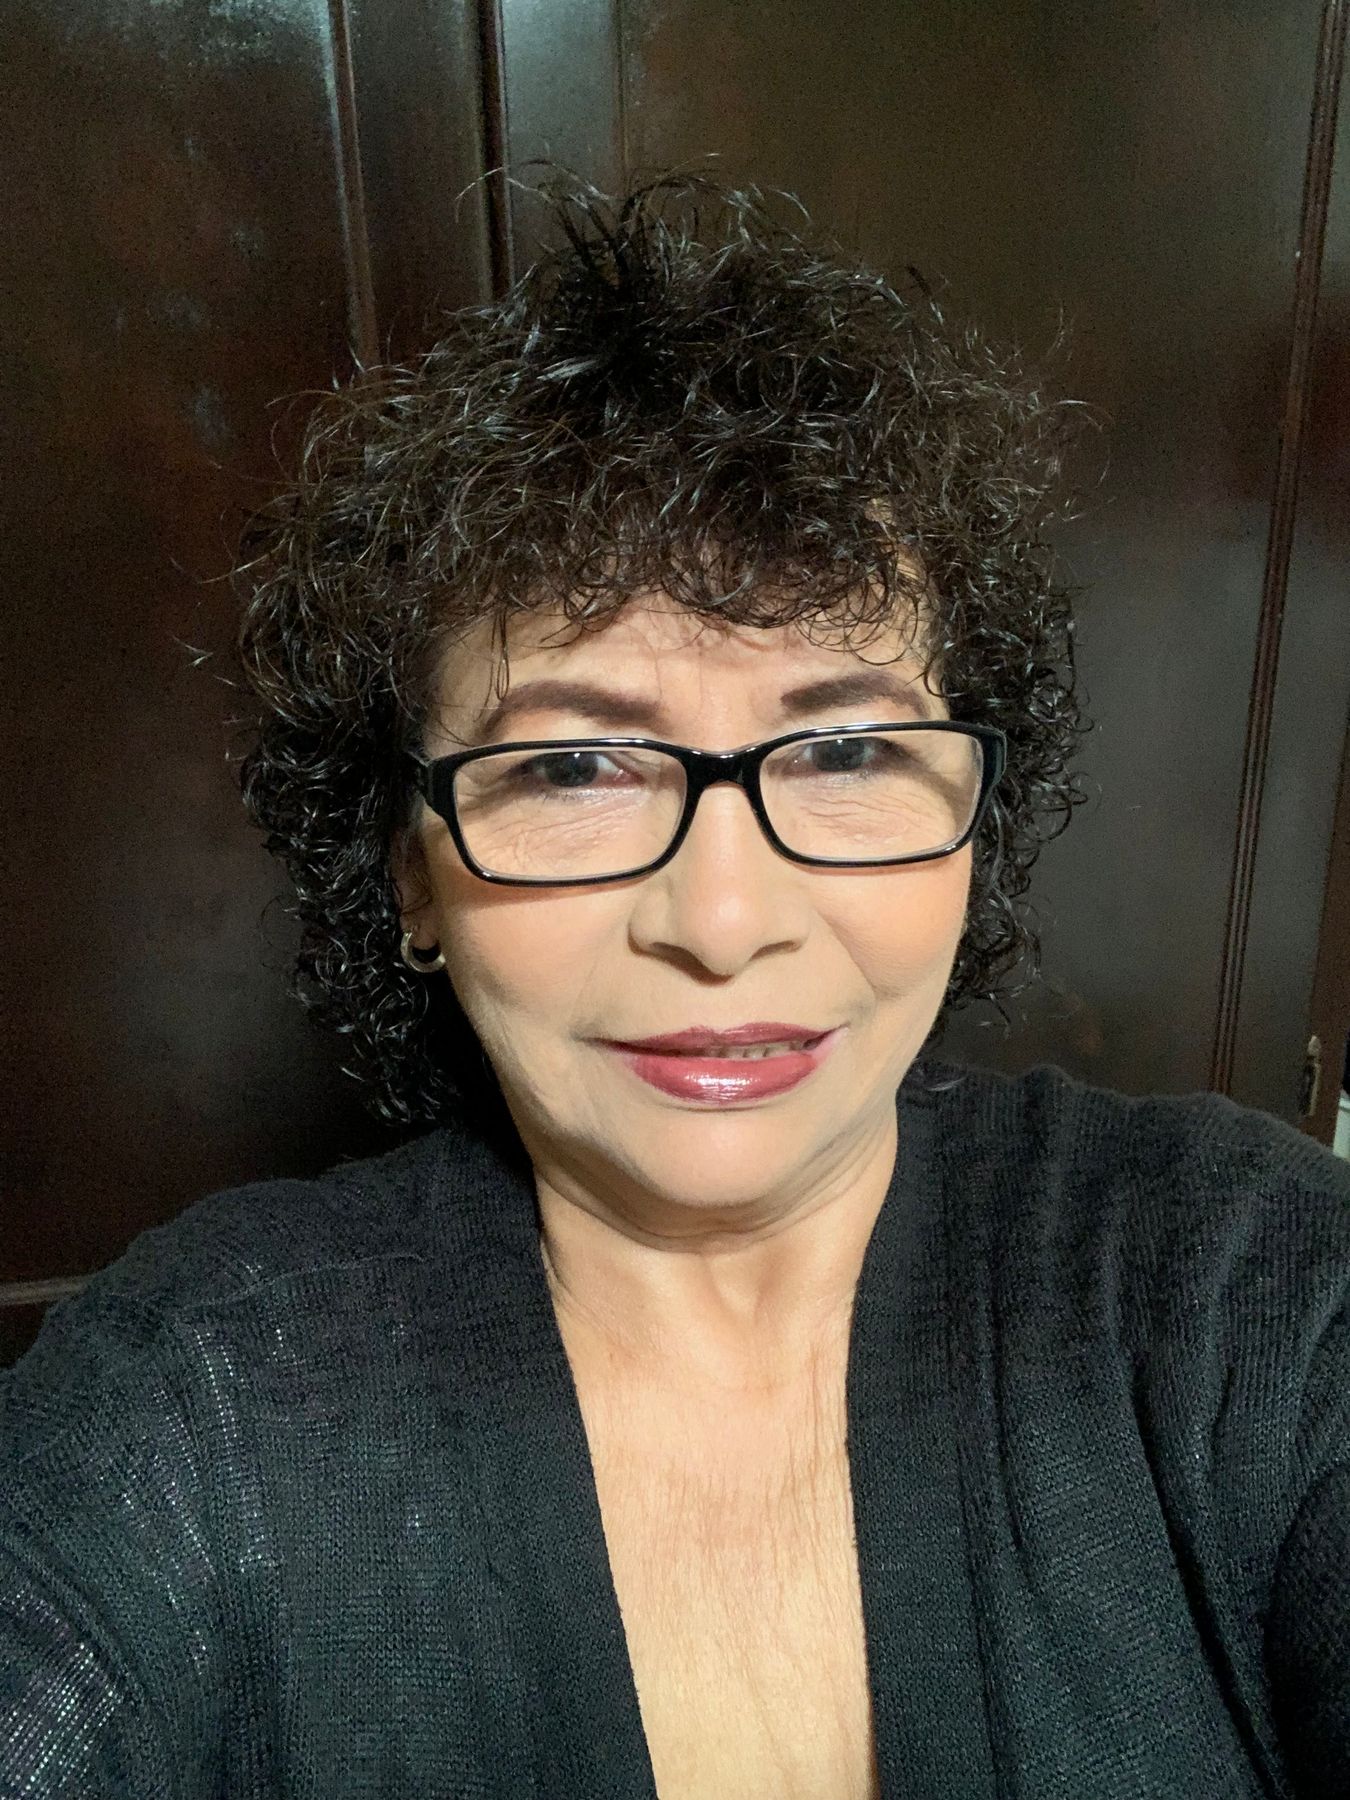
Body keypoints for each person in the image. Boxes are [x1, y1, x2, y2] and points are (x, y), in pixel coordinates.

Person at [2, 170, 1347, 1800]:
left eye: (845, 751)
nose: (721, 920)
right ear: (414, 872)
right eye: (572, 767)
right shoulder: (194, 1404)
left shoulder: (1244, 1292)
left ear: (974, 822)